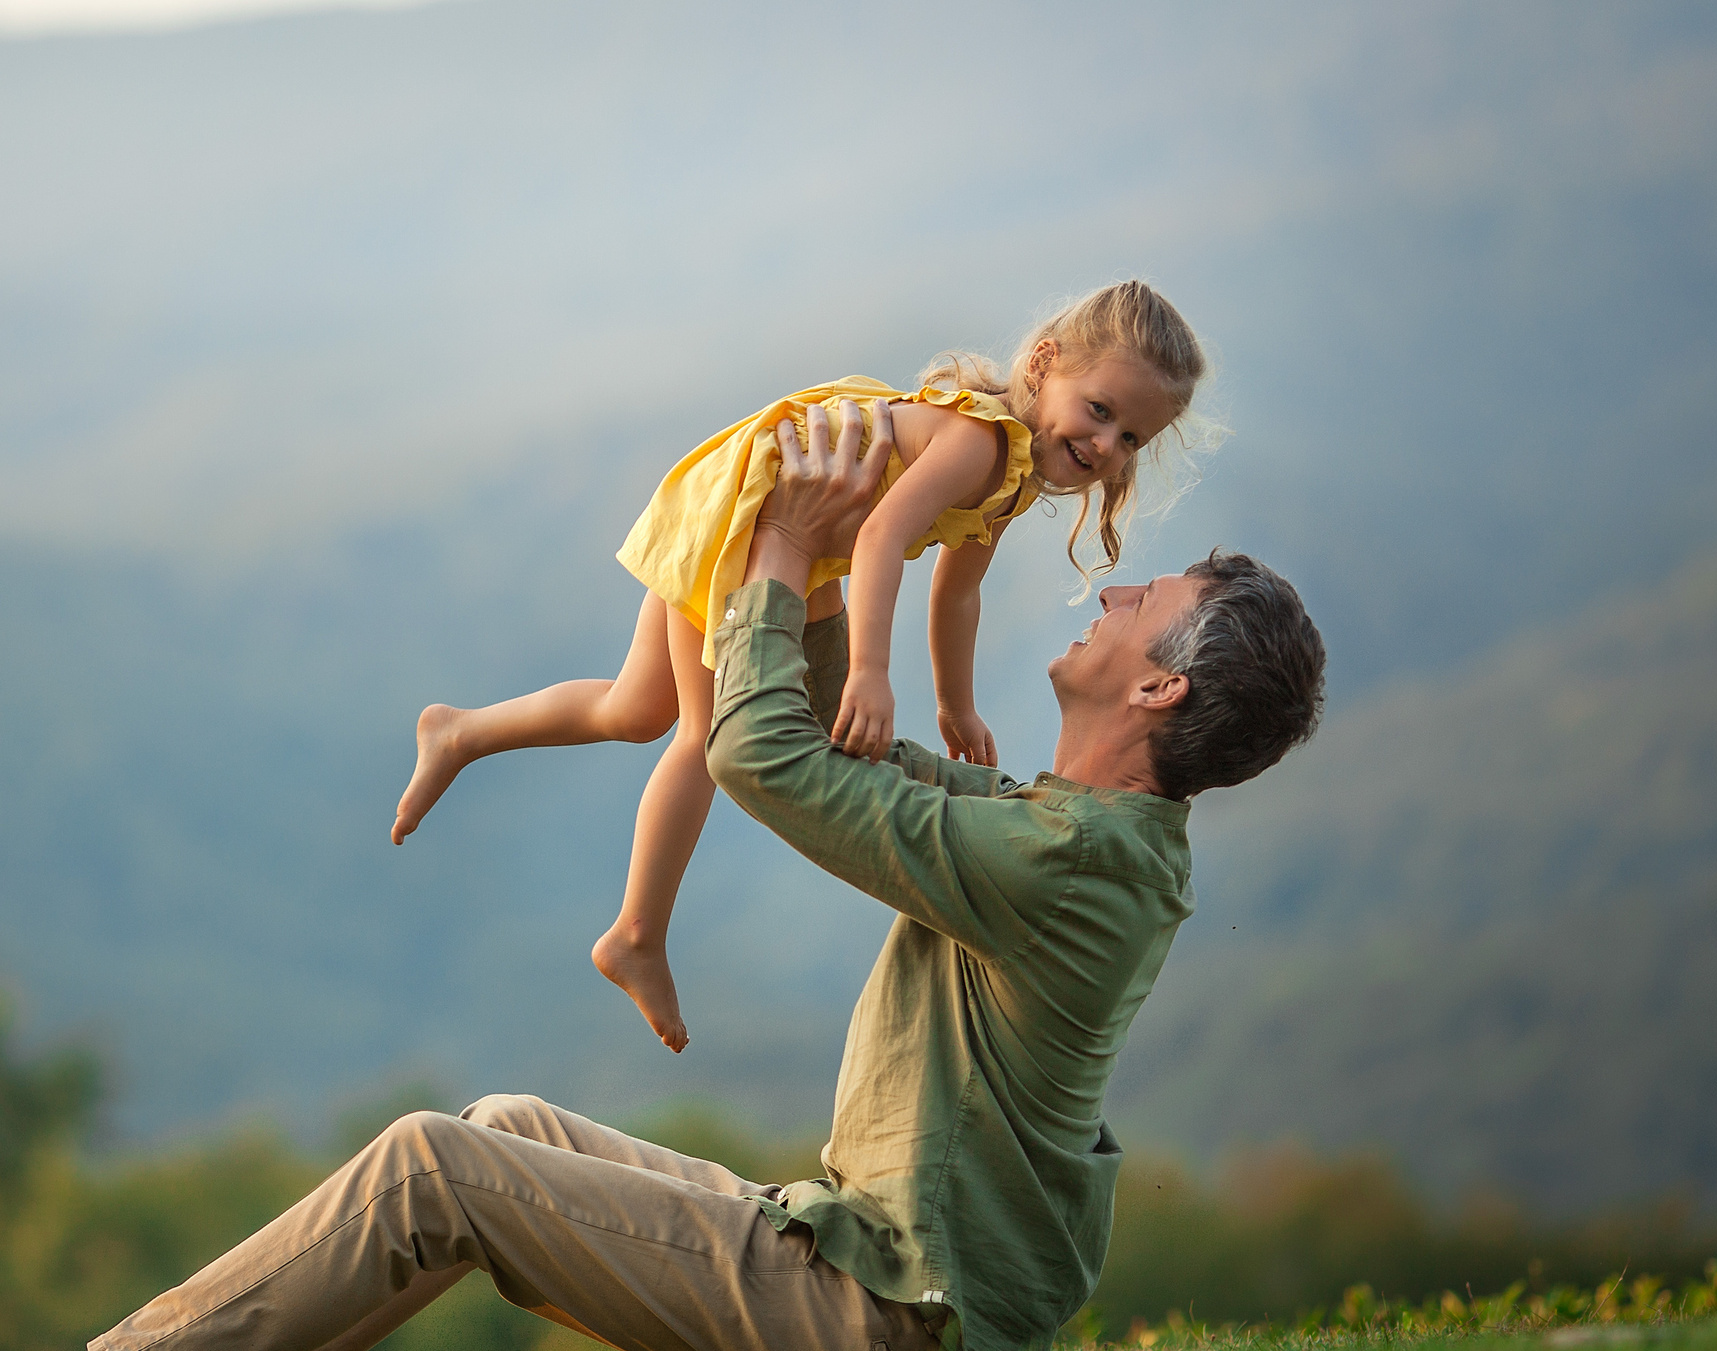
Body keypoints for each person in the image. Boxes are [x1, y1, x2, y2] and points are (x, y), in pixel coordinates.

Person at [0, 399, 1325, 1351]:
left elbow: (760, 759)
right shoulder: (1073, 830)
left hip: (892, 1318)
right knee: (504, 1125)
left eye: (1151, 599)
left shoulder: (1074, 862)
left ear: (1159, 688)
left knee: (433, 1162)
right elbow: (827, 742)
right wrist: (811, 549)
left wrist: (784, 548)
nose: (1118, 582)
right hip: (873, 1260)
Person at [390, 281, 1209, 1052]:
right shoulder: (979, 443)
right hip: (762, 514)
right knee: (704, 735)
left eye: (1130, 438)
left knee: (636, 710)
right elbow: (883, 536)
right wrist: (870, 673)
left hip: (796, 538)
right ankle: (635, 933)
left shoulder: (1014, 476)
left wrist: (956, 706)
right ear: (1044, 365)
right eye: (1099, 411)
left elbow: (959, 593)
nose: (1105, 445)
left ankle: (460, 731)